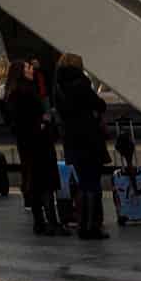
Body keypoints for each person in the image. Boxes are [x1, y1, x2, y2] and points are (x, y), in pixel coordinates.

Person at [52, 53, 110, 240]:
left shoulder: (58, 87)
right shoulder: (82, 84)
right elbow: (99, 104)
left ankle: (82, 224)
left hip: (72, 140)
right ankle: (92, 226)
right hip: (89, 138)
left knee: (83, 182)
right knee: (93, 182)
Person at [4, 58, 62, 235]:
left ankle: (39, 221)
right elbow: (34, 118)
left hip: (26, 144)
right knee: (46, 183)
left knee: (34, 182)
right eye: (28, 67)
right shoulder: (27, 91)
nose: (31, 70)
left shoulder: (11, 93)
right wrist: (44, 123)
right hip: (39, 143)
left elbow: (13, 123)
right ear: (21, 71)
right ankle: (52, 221)